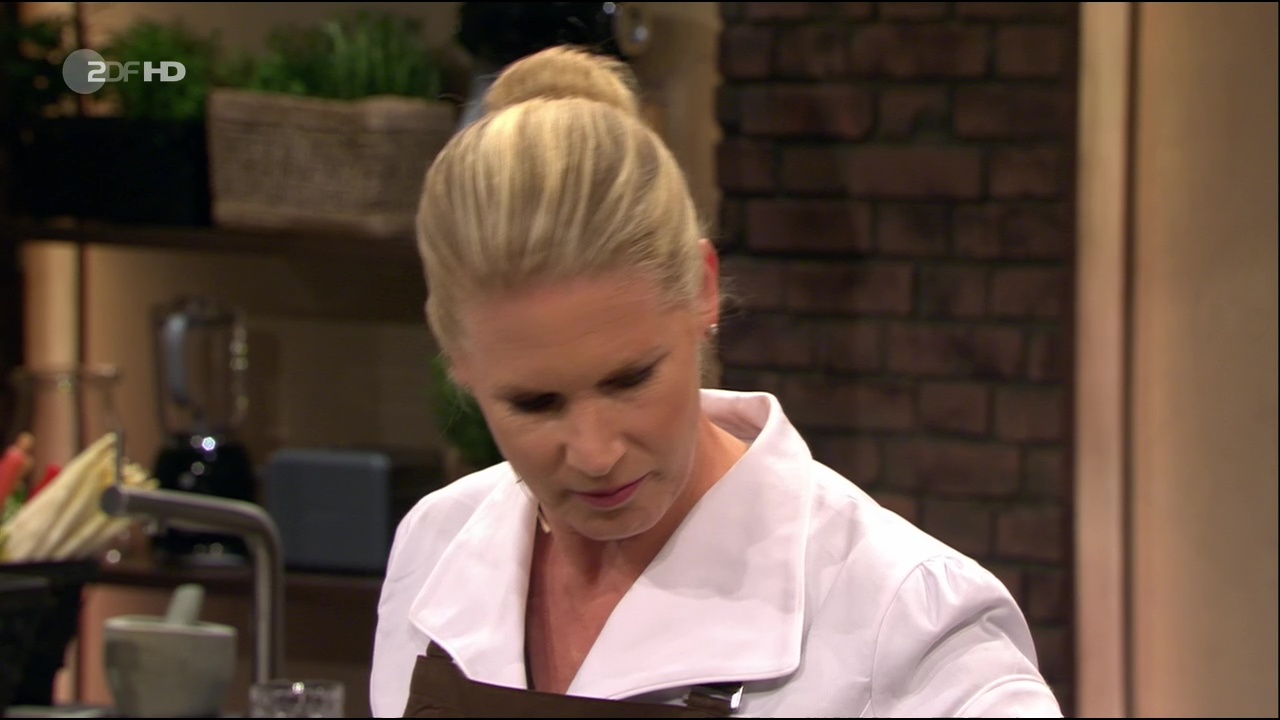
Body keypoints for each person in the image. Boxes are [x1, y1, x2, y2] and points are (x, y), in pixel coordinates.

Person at [370, 46, 1064, 718]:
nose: (594, 452)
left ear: (703, 291)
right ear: (458, 362)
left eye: (630, 380)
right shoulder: (436, 547)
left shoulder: (903, 620)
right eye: (535, 403)